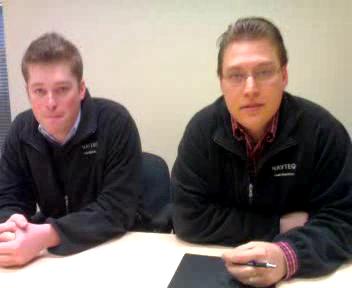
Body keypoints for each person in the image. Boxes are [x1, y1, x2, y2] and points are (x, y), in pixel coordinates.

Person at [172, 17, 352, 287]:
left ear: (284, 76)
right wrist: (276, 226)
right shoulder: (202, 131)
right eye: (235, 75)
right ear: (221, 82)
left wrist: (286, 256)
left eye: (265, 72)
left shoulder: (323, 131)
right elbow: (187, 217)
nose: (250, 88)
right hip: (216, 267)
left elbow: (344, 221)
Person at [0, 32, 143, 267]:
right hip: (49, 259)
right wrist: (11, 228)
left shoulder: (115, 122)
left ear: (81, 89)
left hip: (114, 249)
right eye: (39, 91)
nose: (50, 103)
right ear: (28, 92)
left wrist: (47, 234)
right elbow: (9, 199)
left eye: (62, 89)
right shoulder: (20, 131)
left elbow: (117, 210)